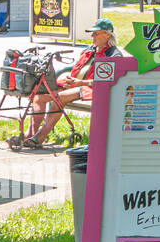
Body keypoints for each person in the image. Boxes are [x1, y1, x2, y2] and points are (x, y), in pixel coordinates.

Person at [24, 18, 124, 147]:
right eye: (92, 33)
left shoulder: (114, 55)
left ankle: (40, 137)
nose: (92, 36)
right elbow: (76, 68)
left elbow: (107, 81)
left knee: (59, 98)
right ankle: (29, 135)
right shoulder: (90, 50)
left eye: (96, 33)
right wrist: (72, 80)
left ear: (107, 34)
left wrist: (80, 82)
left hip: (96, 89)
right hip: (76, 85)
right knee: (39, 96)